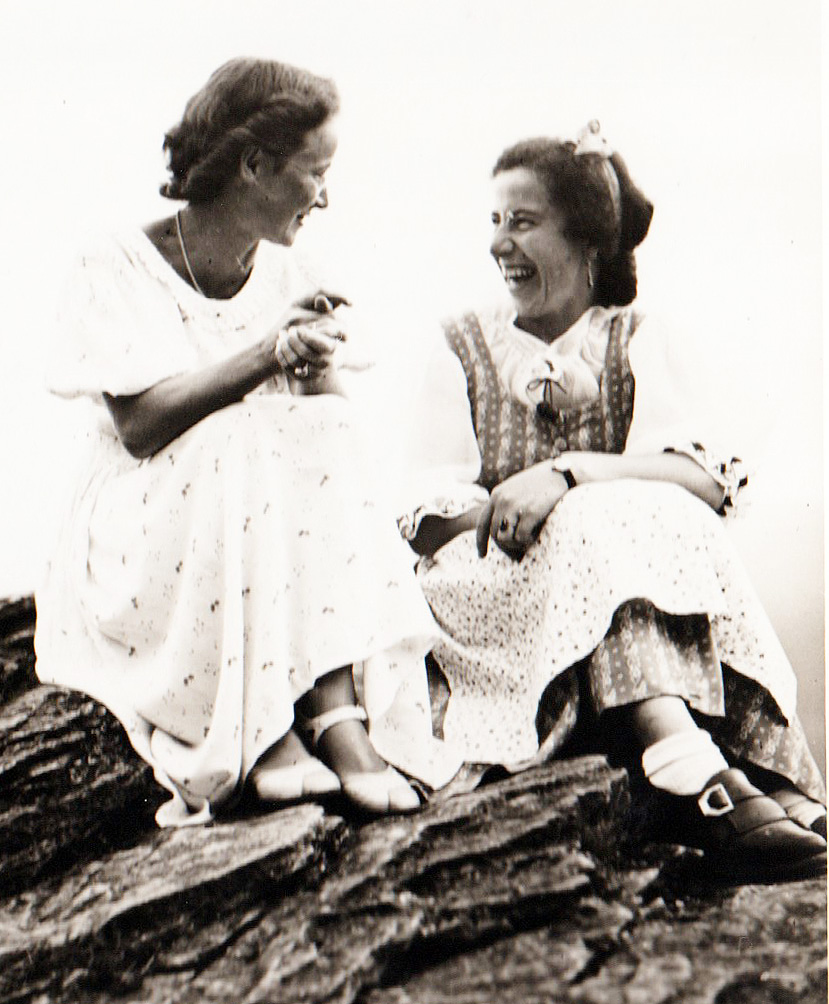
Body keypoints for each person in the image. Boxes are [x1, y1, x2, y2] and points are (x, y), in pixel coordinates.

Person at [397, 121, 827, 882]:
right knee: (597, 523)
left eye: (522, 222)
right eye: (494, 221)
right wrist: (538, 512)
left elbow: (705, 482)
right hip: (499, 592)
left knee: (632, 515)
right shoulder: (462, 345)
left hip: (627, 582)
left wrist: (568, 475)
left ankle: (731, 769)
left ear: (586, 241)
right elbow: (425, 519)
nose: (498, 244)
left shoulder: (636, 338)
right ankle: (684, 762)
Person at [34, 57, 458, 826]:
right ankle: (263, 735)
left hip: (253, 516)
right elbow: (140, 428)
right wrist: (266, 354)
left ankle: (336, 719)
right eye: (314, 172)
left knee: (315, 424)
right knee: (234, 432)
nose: (325, 196)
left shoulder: (293, 269)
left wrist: (314, 368)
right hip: (138, 529)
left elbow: (332, 449)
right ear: (254, 165)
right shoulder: (115, 264)